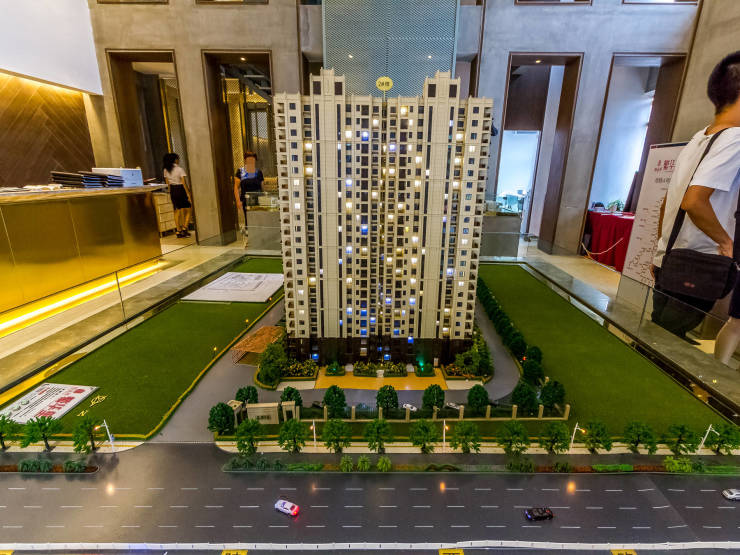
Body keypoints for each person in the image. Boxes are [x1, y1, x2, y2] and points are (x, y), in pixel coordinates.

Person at [651, 51, 740, 348]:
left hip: (673, 260)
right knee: (666, 347)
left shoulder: (700, 137)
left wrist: (660, 254)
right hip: (698, 264)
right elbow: (693, 201)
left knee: (658, 338)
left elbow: (669, 203)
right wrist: (727, 243)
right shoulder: (735, 139)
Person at [163, 152, 192, 238]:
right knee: (189, 209)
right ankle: (184, 228)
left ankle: (178, 231)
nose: (178, 160)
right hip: (180, 189)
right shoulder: (179, 169)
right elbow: (183, 183)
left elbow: (167, 183)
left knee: (177, 211)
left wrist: (170, 192)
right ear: (175, 160)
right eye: (178, 159)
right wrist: (188, 193)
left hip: (173, 190)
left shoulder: (166, 170)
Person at [233, 151, 264, 230]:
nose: (251, 162)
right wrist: (238, 201)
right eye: (249, 160)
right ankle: (250, 235)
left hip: (258, 200)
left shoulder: (259, 172)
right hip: (246, 201)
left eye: (252, 160)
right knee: (249, 221)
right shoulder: (240, 172)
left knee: (259, 221)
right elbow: (236, 187)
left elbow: (262, 187)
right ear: (245, 160)